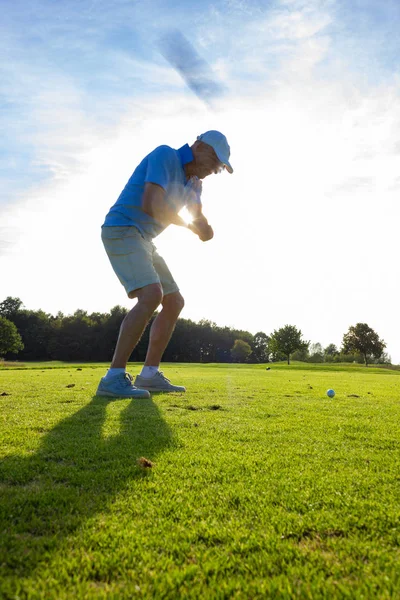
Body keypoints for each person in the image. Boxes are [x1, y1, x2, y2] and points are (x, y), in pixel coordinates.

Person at [96, 130, 233, 398]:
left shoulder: (194, 183)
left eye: (219, 168)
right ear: (199, 147)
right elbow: (152, 204)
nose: (215, 170)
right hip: (122, 229)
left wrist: (204, 227)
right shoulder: (165, 155)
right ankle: (112, 377)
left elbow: (198, 218)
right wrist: (192, 228)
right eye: (216, 162)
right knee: (151, 295)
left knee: (174, 301)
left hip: (144, 238)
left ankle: (148, 375)